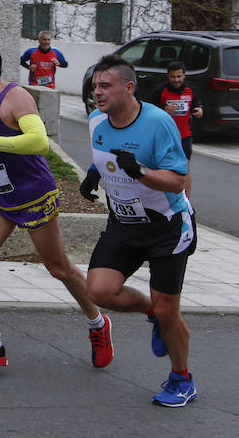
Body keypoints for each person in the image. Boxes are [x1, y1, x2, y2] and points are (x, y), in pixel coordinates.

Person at [0, 40, 112, 367]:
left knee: (58, 267)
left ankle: (98, 322)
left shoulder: (16, 96)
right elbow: (2, 138)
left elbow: (39, 143)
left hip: (33, 195)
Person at [80, 54, 197, 407]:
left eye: (105, 86)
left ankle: (182, 379)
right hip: (123, 224)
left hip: (167, 227)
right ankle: (153, 314)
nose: (97, 93)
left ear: (128, 87)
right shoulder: (96, 120)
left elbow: (177, 181)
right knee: (99, 291)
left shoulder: (158, 122)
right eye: (95, 86)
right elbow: (108, 153)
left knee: (169, 310)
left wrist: (141, 172)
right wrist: (95, 173)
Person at [149, 61, 202, 198]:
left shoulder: (190, 90)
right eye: (173, 77)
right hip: (165, 136)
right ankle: (164, 199)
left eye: (179, 76)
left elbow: (197, 105)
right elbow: (148, 111)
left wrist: (199, 110)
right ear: (168, 76)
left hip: (185, 136)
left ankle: (187, 204)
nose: (176, 80)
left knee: (185, 171)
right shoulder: (160, 90)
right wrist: (163, 110)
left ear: (184, 76)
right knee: (165, 169)